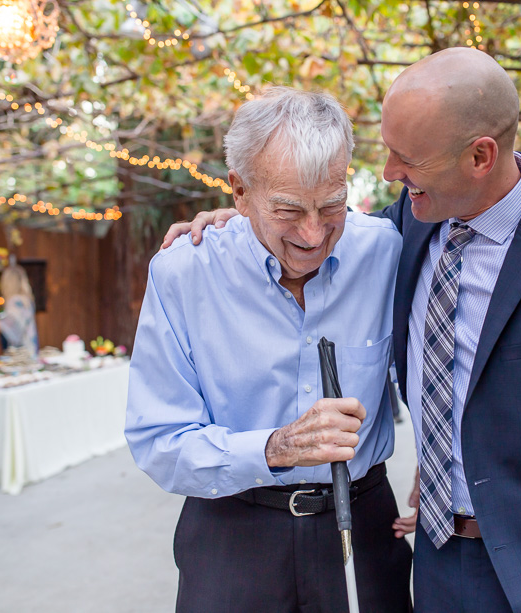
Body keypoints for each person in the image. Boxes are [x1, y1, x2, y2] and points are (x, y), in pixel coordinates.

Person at [165, 48, 521, 612]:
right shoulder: (403, 229)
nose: (389, 173)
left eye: (408, 158)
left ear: (480, 156)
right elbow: (308, 224)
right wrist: (239, 220)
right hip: (432, 564)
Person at [126, 87, 411, 613]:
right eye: (287, 209)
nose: (312, 233)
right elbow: (159, 439)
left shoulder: (386, 249)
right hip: (233, 526)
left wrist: (444, 472)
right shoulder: (184, 272)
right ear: (238, 191)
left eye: (331, 206)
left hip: (365, 518)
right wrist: (275, 448)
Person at [0, 265, 39, 356]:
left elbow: (14, 333)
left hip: (21, 357)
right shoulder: (26, 300)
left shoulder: (15, 301)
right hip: (31, 352)